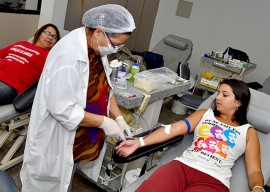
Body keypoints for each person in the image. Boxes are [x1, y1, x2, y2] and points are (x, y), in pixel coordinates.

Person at [20, 4, 135, 192]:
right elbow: (62, 109)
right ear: (99, 32)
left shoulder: (96, 47)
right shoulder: (68, 56)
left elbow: (105, 87)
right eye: (116, 44)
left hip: (81, 134)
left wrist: (118, 117)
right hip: (58, 136)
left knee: (68, 173)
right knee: (51, 182)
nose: (116, 49)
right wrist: (105, 123)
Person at [116, 79, 265, 192]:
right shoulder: (204, 114)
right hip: (182, 167)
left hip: (214, 180)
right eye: (218, 93)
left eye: (224, 95)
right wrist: (139, 142)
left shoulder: (248, 132)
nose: (218, 98)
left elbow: (255, 171)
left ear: (238, 102)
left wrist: (258, 188)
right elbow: (173, 129)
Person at [0, 23, 60, 105]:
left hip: (10, 84)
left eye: (54, 37)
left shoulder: (50, 57)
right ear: (39, 33)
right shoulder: (22, 43)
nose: (50, 37)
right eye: (48, 33)